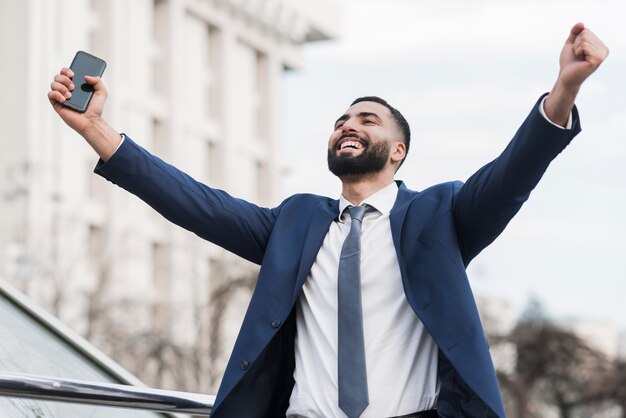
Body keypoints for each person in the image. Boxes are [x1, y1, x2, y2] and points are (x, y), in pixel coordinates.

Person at [48, 23, 608, 418]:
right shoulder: (295, 222)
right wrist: (97, 131)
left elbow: (514, 172)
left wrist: (566, 87)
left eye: (367, 119)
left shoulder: (441, 217)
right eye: (341, 119)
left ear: (398, 151)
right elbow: (195, 202)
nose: (348, 124)